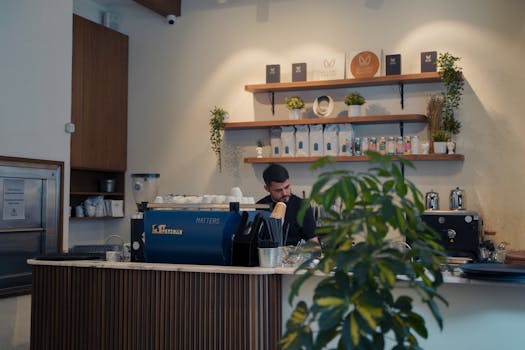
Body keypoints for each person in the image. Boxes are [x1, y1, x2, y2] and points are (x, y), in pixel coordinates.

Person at [257, 163, 319, 246]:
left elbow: (313, 240)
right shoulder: (260, 207)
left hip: (296, 256)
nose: (284, 193)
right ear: (267, 188)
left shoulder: (303, 206)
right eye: (278, 190)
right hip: (268, 255)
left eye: (287, 187)